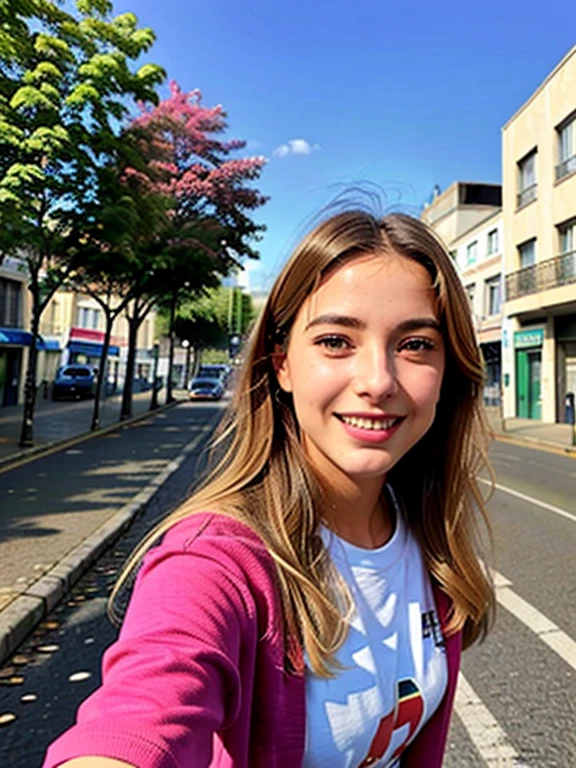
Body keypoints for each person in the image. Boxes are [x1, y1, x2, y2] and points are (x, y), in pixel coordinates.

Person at [43, 209, 495, 768]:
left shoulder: (430, 544)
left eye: (416, 345)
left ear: (450, 367)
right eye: (335, 341)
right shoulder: (214, 561)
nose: (378, 380)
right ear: (281, 365)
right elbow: (139, 716)